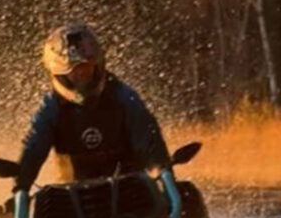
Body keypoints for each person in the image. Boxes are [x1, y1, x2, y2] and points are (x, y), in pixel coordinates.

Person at [13, 23, 172, 192]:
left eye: (85, 68)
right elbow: (35, 146)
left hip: (130, 190)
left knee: (185, 195)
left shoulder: (123, 97)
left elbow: (147, 136)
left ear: (97, 66)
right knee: (5, 215)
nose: (82, 75)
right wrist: (21, 183)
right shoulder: (52, 108)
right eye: (74, 71)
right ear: (60, 75)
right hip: (70, 198)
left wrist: (162, 169)